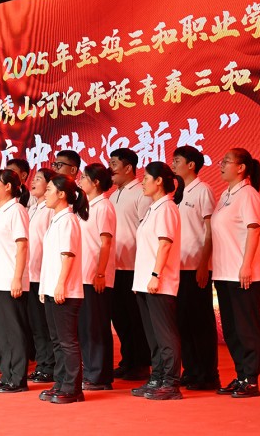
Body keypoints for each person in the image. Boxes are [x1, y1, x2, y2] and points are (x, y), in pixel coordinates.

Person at [212, 148, 260, 398]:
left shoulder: (248, 194)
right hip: (224, 274)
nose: (221, 165)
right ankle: (241, 375)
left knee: (247, 328)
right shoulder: (226, 195)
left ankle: (251, 380)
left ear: (241, 168)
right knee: (232, 329)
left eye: (226, 161)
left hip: (243, 274)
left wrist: (246, 265)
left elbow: (254, 230)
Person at [131, 162, 183, 400]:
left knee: (165, 334)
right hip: (144, 282)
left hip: (159, 282)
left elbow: (165, 244)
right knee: (153, 336)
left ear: (159, 181)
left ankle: (171, 383)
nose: (142, 182)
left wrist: (155, 275)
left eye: (146, 178)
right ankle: (157, 378)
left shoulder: (167, 208)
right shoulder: (153, 208)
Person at [170, 145, 220, 390]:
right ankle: (190, 370)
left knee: (200, 322)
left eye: (177, 160)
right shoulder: (178, 194)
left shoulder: (203, 190)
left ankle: (207, 375)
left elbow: (210, 230)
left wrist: (203, 264)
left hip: (196, 268)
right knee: (183, 322)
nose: (173, 164)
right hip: (178, 268)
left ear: (191, 165)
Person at [39, 175, 88, 404]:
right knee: (57, 340)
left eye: (49, 189)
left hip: (65, 291)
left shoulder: (68, 220)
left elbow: (68, 255)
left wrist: (60, 284)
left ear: (61, 194)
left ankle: (73, 388)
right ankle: (60, 383)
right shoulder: (56, 219)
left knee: (67, 341)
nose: (45, 193)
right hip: (52, 289)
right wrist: (45, 287)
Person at [0, 170, 31, 393]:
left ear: (8, 186)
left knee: (14, 330)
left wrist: (17, 278)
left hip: (11, 279)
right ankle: (6, 375)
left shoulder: (17, 210)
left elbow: (22, 246)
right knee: (2, 332)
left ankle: (18, 378)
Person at [109, 147, 152, 380]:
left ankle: (141, 363)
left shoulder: (140, 194)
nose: (111, 169)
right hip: (114, 266)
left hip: (134, 267)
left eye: (114, 164)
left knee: (136, 319)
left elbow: (146, 230)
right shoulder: (113, 195)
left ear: (128, 168)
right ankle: (128, 360)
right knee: (120, 318)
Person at [77, 163, 117, 391]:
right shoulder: (86, 206)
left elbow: (106, 242)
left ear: (96, 182)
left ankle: (100, 376)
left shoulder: (104, 206)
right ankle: (91, 372)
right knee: (85, 327)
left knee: (96, 326)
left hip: (96, 276)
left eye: (84, 177)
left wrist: (101, 272)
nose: (80, 180)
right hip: (82, 275)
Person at [26, 168, 57, 383]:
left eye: (38, 179)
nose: (33, 182)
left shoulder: (49, 210)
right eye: (34, 178)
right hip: (29, 273)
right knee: (35, 325)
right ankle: (42, 363)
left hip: (42, 274)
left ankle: (50, 366)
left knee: (45, 325)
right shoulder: (32, 209)